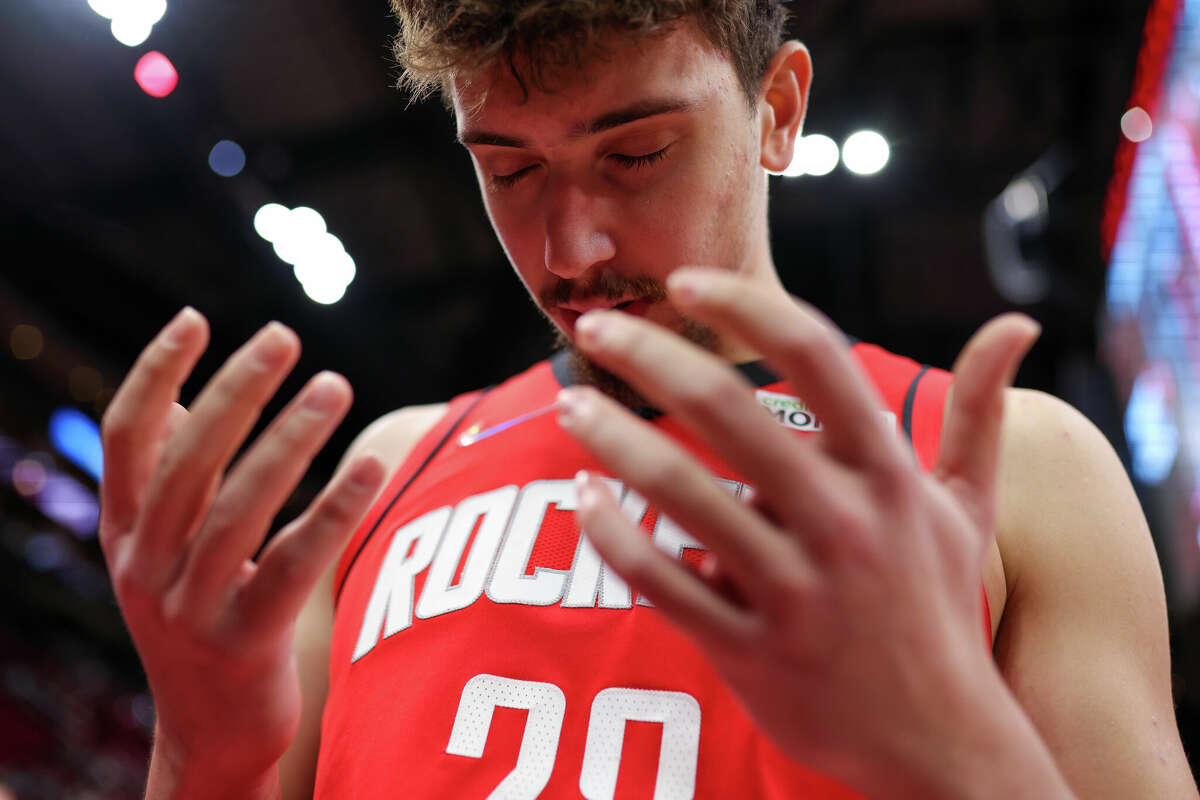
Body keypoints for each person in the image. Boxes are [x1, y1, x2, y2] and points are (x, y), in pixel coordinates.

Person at [98, 2, 1198, 798]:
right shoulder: (390, 464)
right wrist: (200, 756)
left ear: (777, 110)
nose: (568, 248)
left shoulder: (1019, 463)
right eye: (510, 170)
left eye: (637, 153)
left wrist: (961, 757)